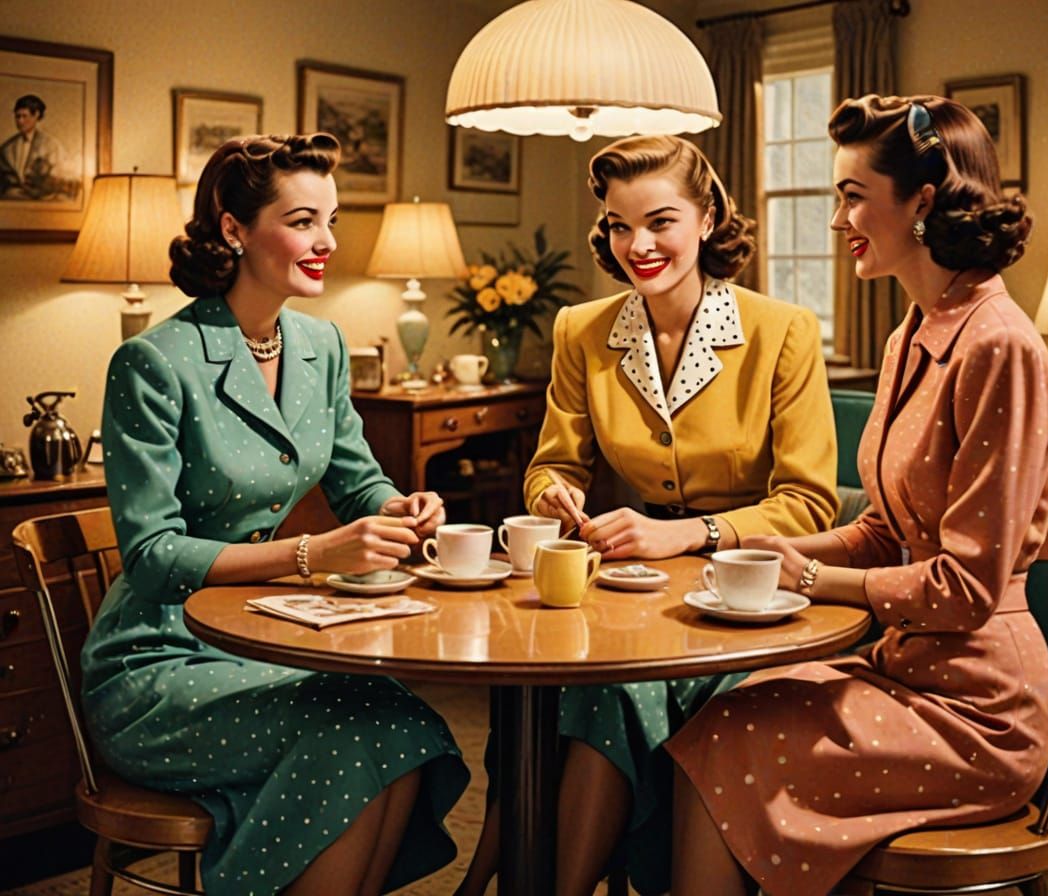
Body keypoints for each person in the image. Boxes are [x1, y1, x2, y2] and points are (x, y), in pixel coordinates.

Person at [665, 94, 1048, 896]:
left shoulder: (1000, 348)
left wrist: (806, 579)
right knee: (721, 712)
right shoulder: (912, 334)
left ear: (922, 202)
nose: (837, 219)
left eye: (852, 196)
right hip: (907, 669)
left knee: (729, 738)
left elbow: (965, 588)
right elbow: (887, 532)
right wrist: (763, 553)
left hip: (981, 714)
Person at [80, 133, 469, 896]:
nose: (326, 241)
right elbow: (154, 558)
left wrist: (403, 508)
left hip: (264, 638)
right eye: (302, 221)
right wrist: (314, 556)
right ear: (233, 229)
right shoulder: (155, 362)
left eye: (330, 220)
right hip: (156, 662)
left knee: (405, 724)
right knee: (350, 735)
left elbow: (360, 485)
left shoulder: (319, 344)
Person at [457, 135, 839, 896]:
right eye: (619, 225)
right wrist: (554, 499)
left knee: (614, 691)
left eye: (660, 222)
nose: (639, 245)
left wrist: (690, 533)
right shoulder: (583, 331)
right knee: (570, 689)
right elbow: (552, 466)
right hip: (629, 593)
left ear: (706, 218)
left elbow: (810, 503)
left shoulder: (782, 332)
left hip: (750, 599)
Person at [0, 94, 75, 200]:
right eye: (17, 116)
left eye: (24, 116)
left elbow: (62, 177)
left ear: (36, 115)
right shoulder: (7, 148)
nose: (20, 121)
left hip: (43, 199)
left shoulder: (51, 145)